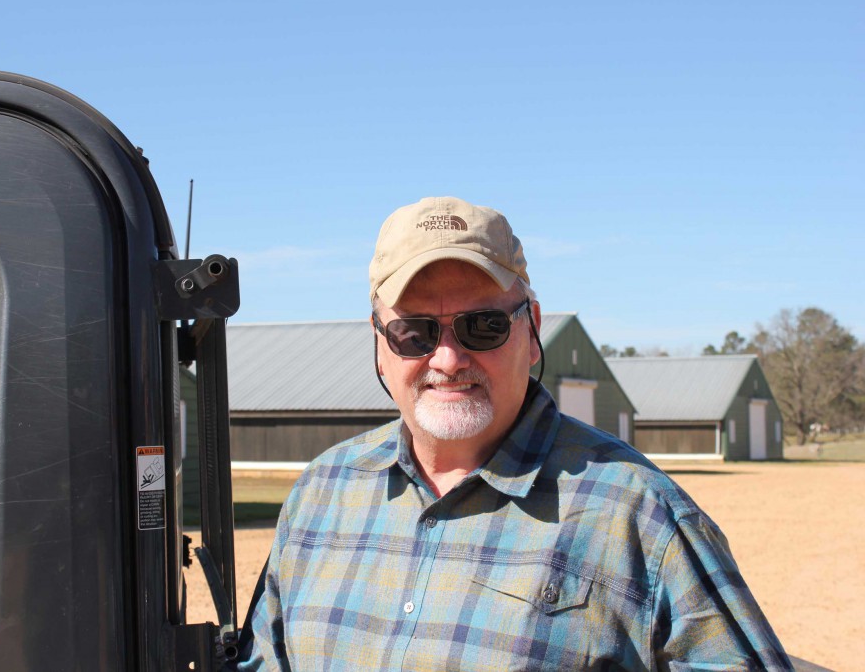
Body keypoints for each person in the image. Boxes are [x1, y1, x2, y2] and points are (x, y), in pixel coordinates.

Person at [236, 197, 790, 670]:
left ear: (532, 329)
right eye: (414, 332)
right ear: (379, 343)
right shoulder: (320, 495)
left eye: (484, 326)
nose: (448, 359)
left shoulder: (639, 516)